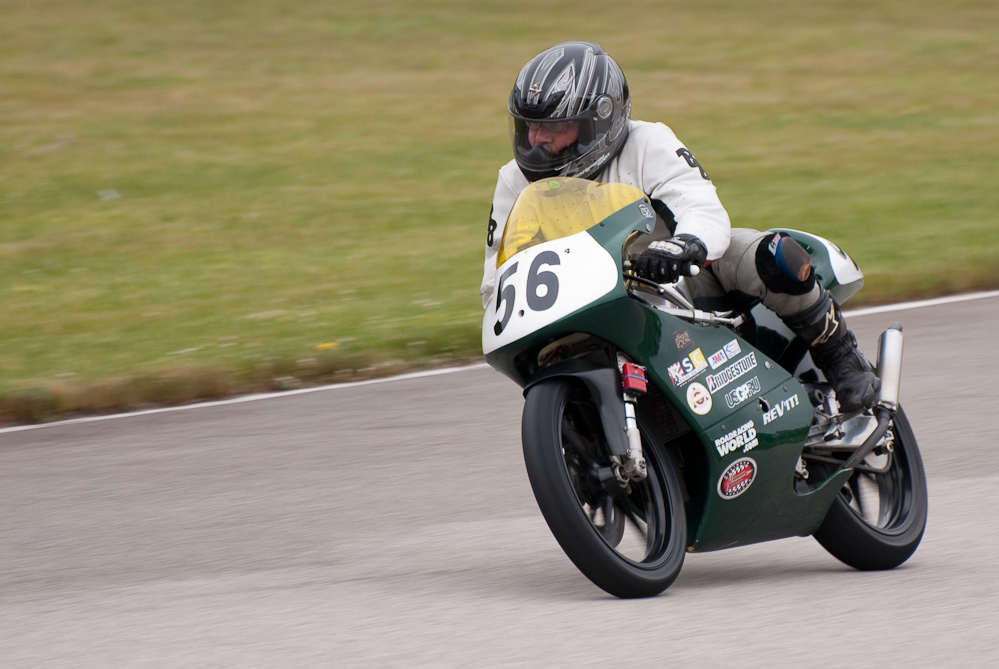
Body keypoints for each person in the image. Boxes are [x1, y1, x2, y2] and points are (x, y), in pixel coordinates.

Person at [480, 41, 879, 412]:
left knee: (768, 253)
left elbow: (701, 205)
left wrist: (684, 245)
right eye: (529, 125)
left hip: (677, 286)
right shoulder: (513, 181)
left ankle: (842, 355)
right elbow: (496, 275)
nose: (535, 139)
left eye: (552, 127)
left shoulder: (648, 142)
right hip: (586, 309)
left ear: (596, 120)